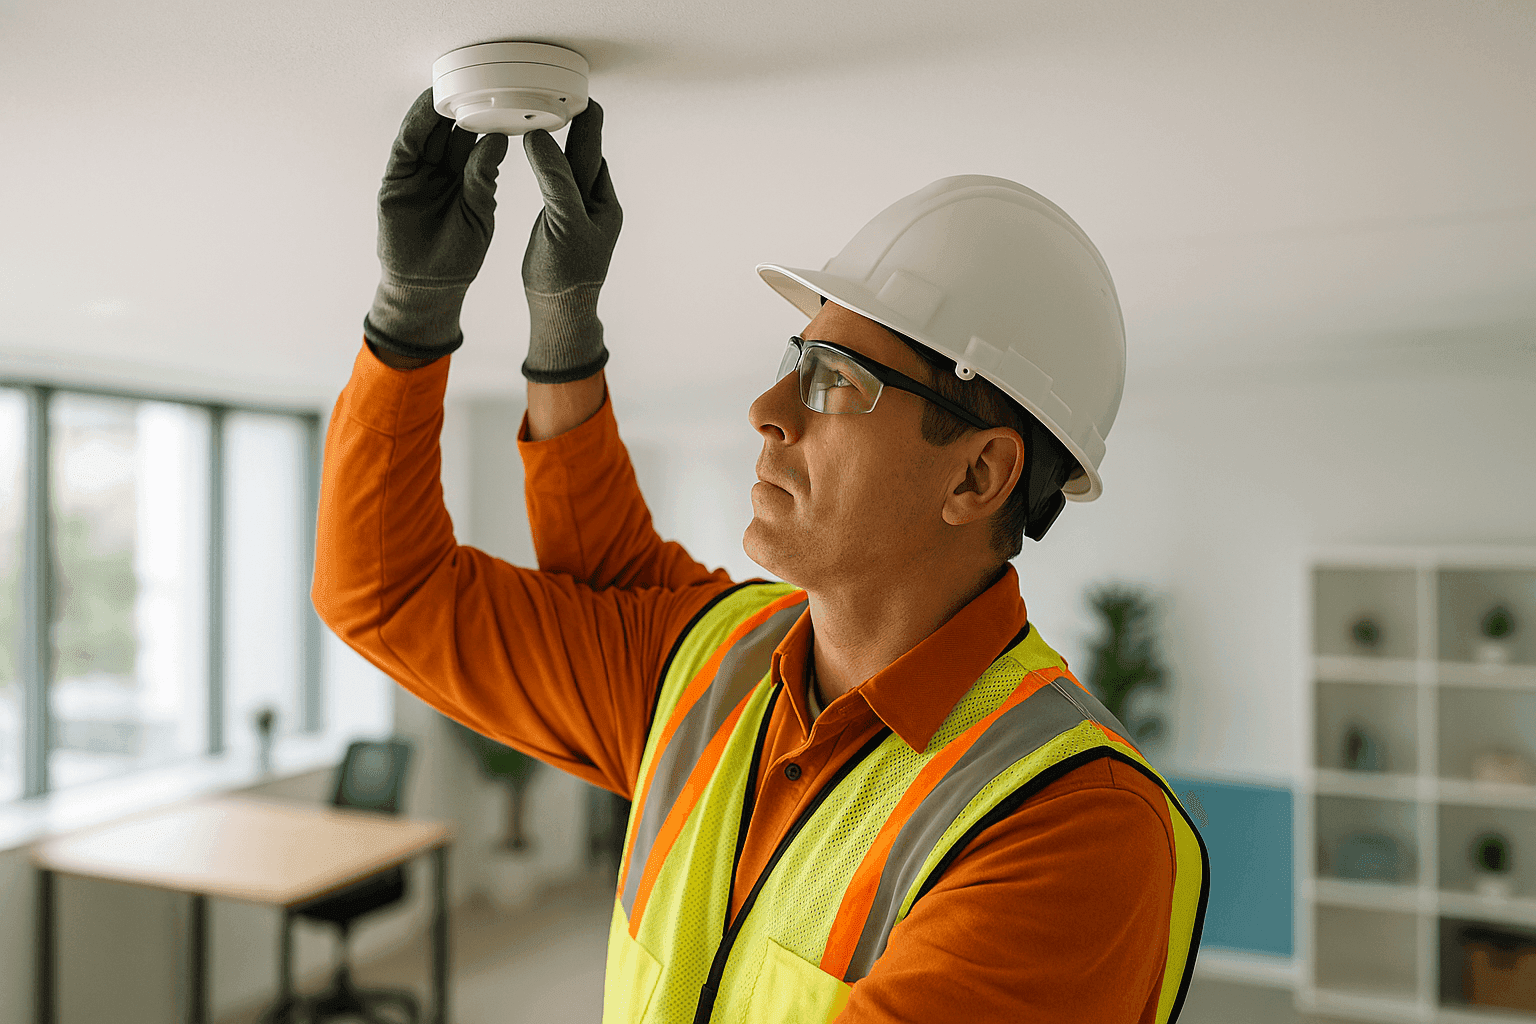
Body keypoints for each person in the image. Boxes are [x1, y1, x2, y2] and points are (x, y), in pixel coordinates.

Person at [314, 88, 1209, 1024]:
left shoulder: (1072, 825)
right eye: (795, 358)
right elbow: (387, 588)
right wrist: (447, 315)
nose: (767, 410)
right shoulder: (715, 669)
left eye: (833, 382)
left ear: (978, 476)